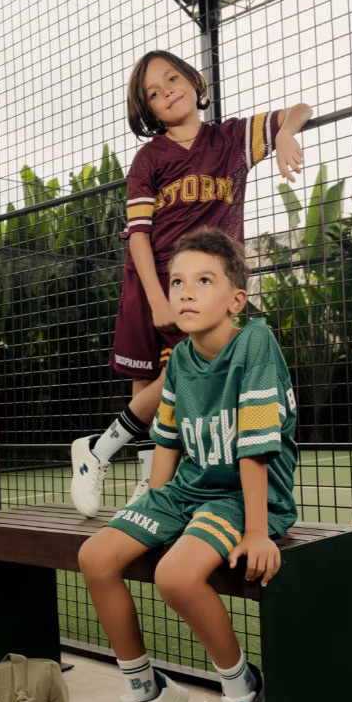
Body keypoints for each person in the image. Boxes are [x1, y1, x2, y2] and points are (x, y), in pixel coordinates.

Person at [77, 227, 299, 702]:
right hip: (190, 490)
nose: (185, 292)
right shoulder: (178, 360)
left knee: (176, 576)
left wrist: (257, 532)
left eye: (204, 281)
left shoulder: (255, 344)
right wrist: (154, 508)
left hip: (247, 496)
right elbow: (168, 442)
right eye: (177, 282)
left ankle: (242, 692)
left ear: (236, 299)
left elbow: (255, 449)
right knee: (95, 556)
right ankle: (145, 691)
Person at [69, 49, 310, 516]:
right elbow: (139, 235)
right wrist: (156, 299)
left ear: (194, 81)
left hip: (199, 289)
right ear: (148, 110)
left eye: (172, 79)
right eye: (153, 93)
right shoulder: (149, 158)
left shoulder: (232, 139)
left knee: (172, 379)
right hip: (150, 283)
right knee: (148, 385)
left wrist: (284, 133)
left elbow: (300, 109)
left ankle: (100, 447)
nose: (167, 92)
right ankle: (147, 486)